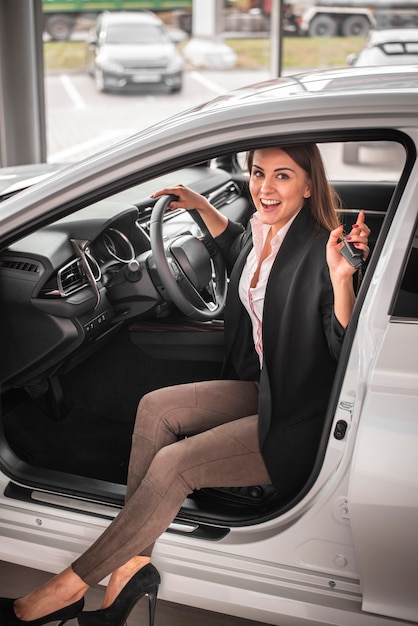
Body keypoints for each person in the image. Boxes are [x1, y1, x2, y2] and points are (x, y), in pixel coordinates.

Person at [0, 144, 370, 626]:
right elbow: (237, 244)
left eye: (283, 176)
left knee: (176, 464)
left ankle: (67, 588)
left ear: (308, 184)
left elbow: (345, 351)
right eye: (258, 173)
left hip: (303, 418)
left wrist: (343, 279)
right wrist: (201, 207)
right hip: (265, 388)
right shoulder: (265, 230)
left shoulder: (320, 250)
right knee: (156, 407)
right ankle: (131, 567)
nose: (265, 187)